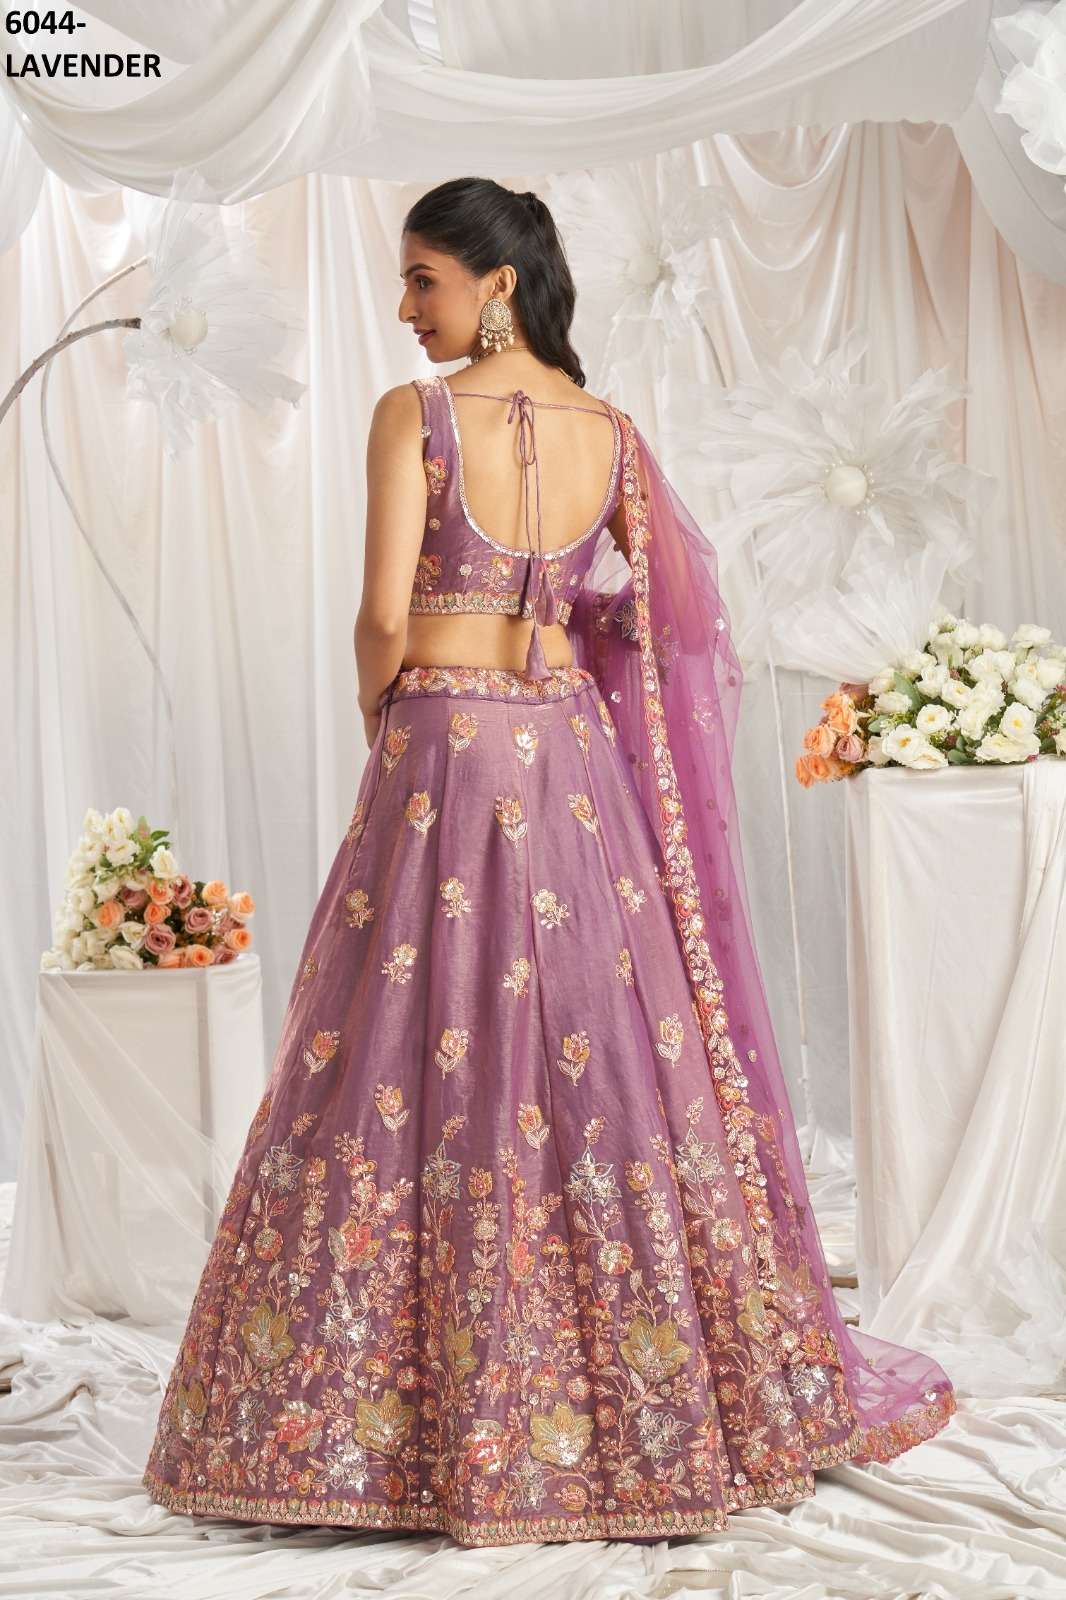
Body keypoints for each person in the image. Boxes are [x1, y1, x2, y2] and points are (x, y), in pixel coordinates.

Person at [141, 177, 957, 1548]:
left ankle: (364, 1418)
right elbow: (673, 618)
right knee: (590, 1042)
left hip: (443, 746)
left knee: (396, 1039)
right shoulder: (612, 435)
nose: (406, 307)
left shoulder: (417, 416)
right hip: (569, 760)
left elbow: (379, 616)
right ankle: (631, 1395)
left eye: (424, 277)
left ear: (498, 283)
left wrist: (388, 717)